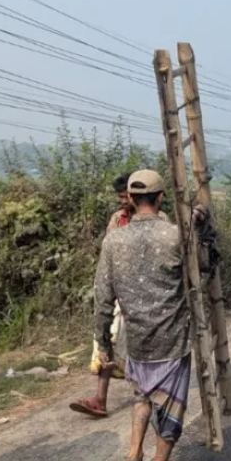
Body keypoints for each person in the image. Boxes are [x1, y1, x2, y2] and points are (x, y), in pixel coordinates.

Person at [94, 170, 191, 461]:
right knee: (171, 409)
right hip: (172, 338)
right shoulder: (175, 236)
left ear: (131, 200)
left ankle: (134, 454)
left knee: (142, 397)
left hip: (135, 339)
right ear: (161, 197)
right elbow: (201, 272)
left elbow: (102, 297)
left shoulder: (113, 240)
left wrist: (102, 343)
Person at [72, 173, 135, 418]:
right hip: (117, 290)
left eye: (125, 196)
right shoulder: (117, 219)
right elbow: (108, 254)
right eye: (120, 197)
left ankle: (146, 396)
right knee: (108, 339)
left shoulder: (156, 220)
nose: (122, 201)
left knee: (137, 347)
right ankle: (100, 399)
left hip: (141, 295)